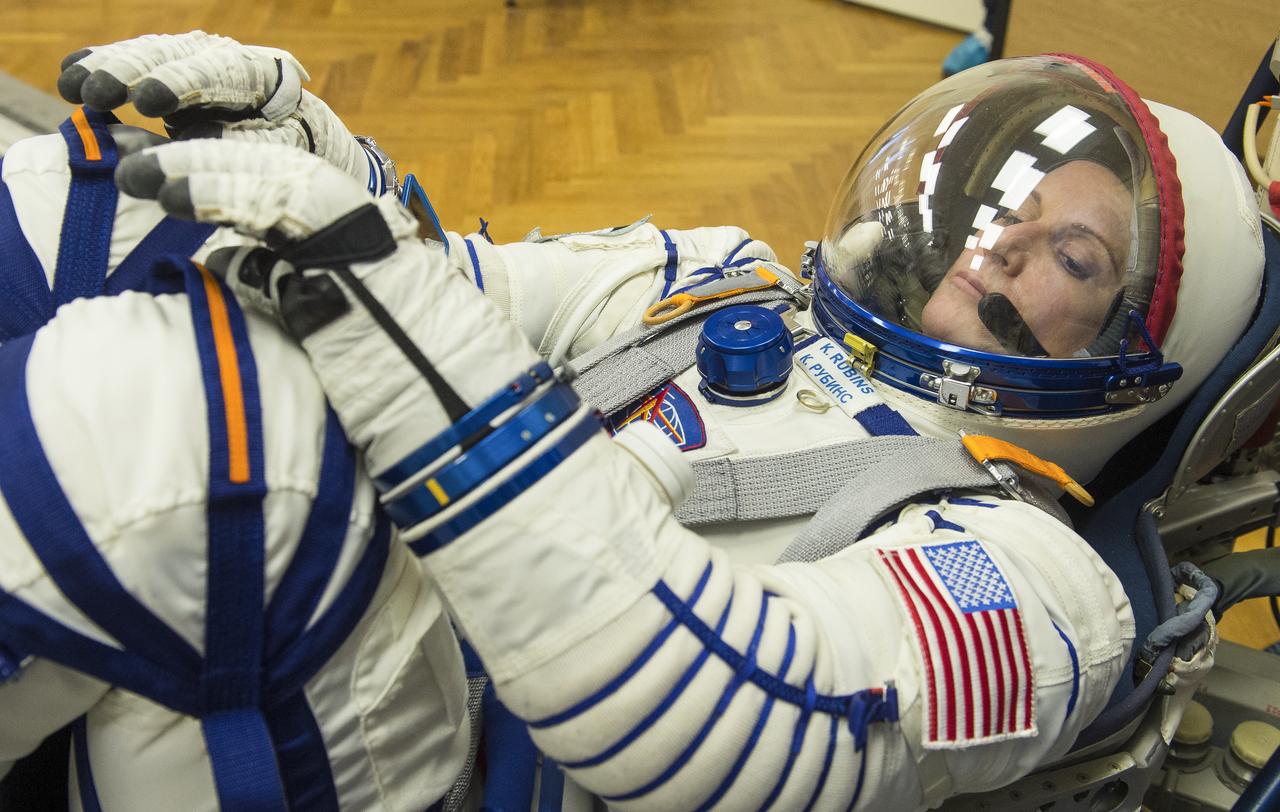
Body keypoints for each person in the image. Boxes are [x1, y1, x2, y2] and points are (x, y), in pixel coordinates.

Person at [107, 50, 1263, 811]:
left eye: (1074, 256)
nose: (1001, 244)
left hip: (431, 760)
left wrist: (453, 421)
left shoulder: (1037, 581)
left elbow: (713, 720)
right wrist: (310, 163)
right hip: (309, 623)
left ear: (1131, 358)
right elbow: (432, 288)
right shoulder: (719, 276)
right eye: (1010, 205)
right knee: (106, 248)